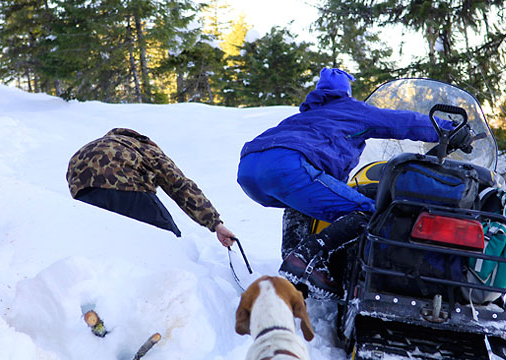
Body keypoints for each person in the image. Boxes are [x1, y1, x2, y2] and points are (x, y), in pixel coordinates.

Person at [237, 68, 473, 298]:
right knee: (369, 212)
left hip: (249, 168)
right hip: (287, 164)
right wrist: (449, 130)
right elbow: (401, 122)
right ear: (346, 93)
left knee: (301, 202)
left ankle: (294, 264)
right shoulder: (350, 110)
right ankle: (305, 257)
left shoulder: (304, 116)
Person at [67, 128, 236, 247]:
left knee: (113, 245)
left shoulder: (97, 145)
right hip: (127, 186)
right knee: (170, 241)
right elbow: (179, 185)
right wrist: (215, 224)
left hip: (83, 194)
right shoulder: (144, 147)